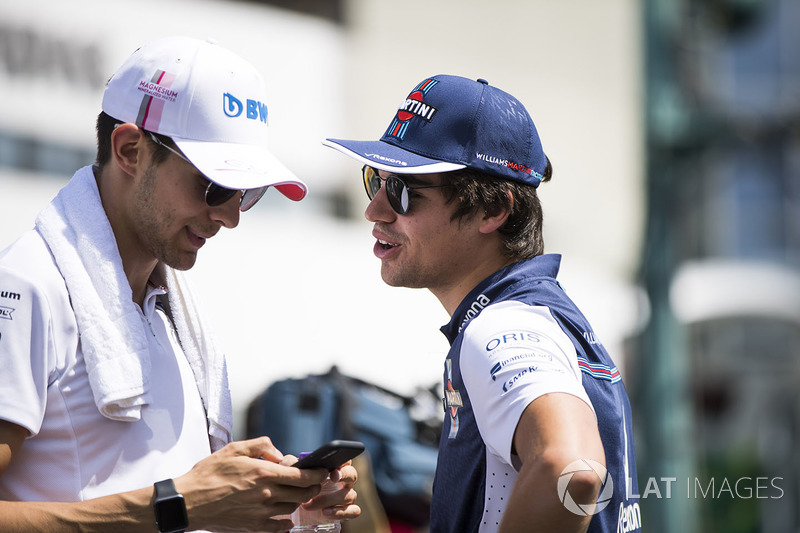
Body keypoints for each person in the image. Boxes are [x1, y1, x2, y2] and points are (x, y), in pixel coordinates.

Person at [0, 36, 359, 532]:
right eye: (216, 185)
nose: (231, 216)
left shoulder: (171, 310)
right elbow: (170, 506)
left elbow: (169, 499)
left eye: (247, 192)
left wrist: (282, 510)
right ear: (130, 150)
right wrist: (178, 506)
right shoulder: (29, 287)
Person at [323, 75, 641, 532]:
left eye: (403, 190)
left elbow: (572, 470)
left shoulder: (498, 329)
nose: (374, 209)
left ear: (494, 211)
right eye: (375, 179)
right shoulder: (547, 315)